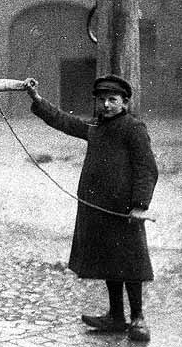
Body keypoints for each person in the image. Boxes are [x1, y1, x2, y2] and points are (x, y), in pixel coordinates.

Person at [23, 74, 158, 342]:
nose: (106, 105)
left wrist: (140, 206)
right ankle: (116, 316)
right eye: (101, 100)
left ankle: (139, 318)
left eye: (113, 100)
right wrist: (36, 100)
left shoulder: (133, 128)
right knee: (110, 263)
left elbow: (147, 168)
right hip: (98, 209)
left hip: (124, 211)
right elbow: (63, 121)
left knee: (130, 265)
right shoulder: (96, 126)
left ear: (125, 103)